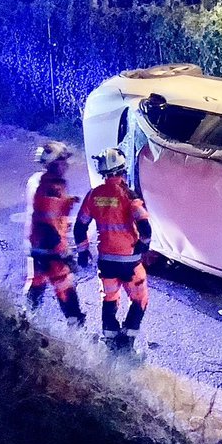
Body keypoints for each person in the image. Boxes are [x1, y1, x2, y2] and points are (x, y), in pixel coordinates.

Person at [74, 147, 151, 353]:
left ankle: (110, 342)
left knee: (109, 300)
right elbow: (144, 224)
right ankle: (127, 340)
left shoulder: (94, 195)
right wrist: (145, 243)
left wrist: (83, 251)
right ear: (122, 169)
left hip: (106, 262)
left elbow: (80, 227)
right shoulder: (128, 195)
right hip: (129, 261)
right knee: (139, 299)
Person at [24, 140, 86, 325]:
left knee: (36, 285)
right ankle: (77, 331)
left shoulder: (40, 181)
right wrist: (64, 253)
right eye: (63, 161)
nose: (66, 164)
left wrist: (67, 201)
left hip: (36, 246)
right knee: (65, 288)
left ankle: (25, 323)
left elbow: (43, 211)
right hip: (51, 249)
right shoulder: (53, 187)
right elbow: (48, 223)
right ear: (54, 163)